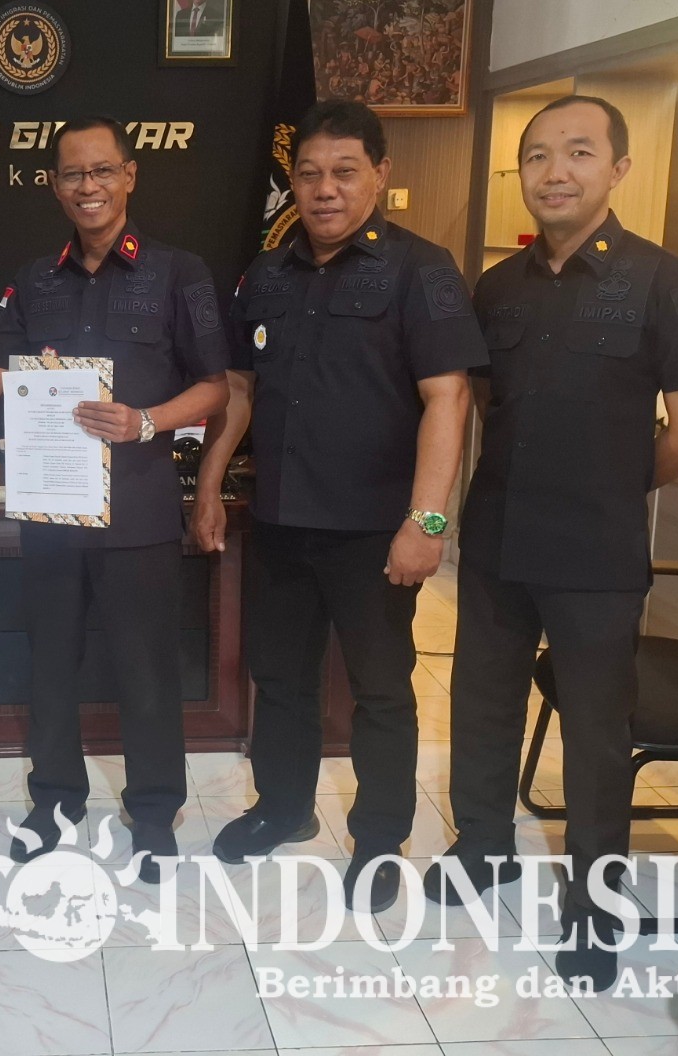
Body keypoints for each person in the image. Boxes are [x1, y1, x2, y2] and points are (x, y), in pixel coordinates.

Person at [429, 95, 678, 990]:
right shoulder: (497, 287)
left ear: (618, 169)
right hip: (497, 537)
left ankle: (594, 909)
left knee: (597, 736)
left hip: (597, 553)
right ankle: (483, 848)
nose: (554, 172)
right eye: (537, 156)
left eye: (578, 153)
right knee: (482, 703)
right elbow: (491, 406)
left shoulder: (670, 280)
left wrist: (612, 483)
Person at [0, 116, 229, 882]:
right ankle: (56, 801)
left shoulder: (179, 272)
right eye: (73, 173)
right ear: (54, 184)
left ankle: (154, 810)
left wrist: (145, 421)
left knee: (147, 669)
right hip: (50, 513)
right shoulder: (34, 281)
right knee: (51, 667)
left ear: (129, 175)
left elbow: (215, 385)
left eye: (102, 170)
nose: (88, 186)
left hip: (138, 509)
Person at [193, 99, 486, 913]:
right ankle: (283, 807)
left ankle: (382, 838)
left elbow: (449, 398)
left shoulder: (421, 270)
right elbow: (241, 389)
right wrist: (212, 482)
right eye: (311, 173)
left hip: (374, 530)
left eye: (345, 172)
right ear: (293, 181)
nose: (326, 189)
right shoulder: (267, 273)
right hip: (281, 519)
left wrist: (427, 522)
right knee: (280, 677)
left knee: (380, 689)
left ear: (380, 175)